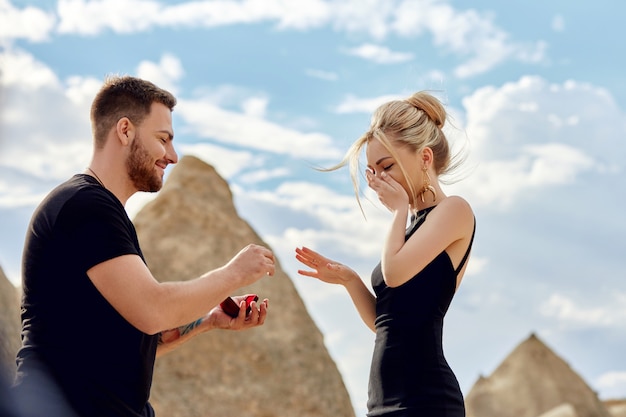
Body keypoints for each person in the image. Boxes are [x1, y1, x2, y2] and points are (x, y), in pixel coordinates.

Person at [13, 75, 275, 417]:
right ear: (125, 130)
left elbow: (132, 339)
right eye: (163, 139)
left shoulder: (101, 212)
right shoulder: (85, 206)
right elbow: (153, 310)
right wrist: (234, 273)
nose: (173, 155)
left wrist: (209, 320)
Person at [295, 91, 475, 417]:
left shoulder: (454, 210)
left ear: (424, 158)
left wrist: (399, 212)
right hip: (381, 400)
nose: (378, 179)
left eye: (386, 166)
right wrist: (349, 280)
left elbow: (393, 274)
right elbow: (387, 324)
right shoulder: (407, 229)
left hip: (427, 399)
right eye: (372, 172)